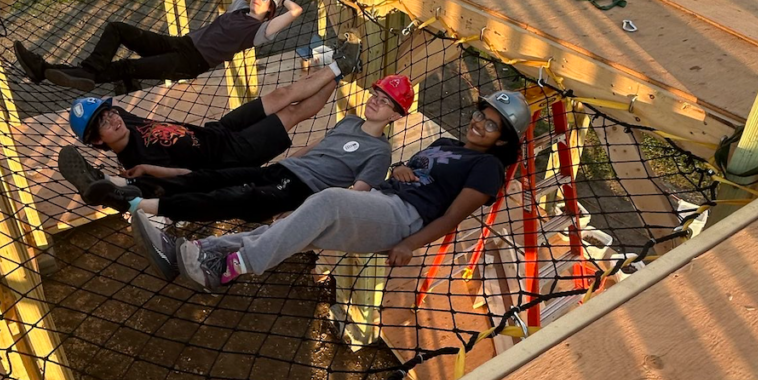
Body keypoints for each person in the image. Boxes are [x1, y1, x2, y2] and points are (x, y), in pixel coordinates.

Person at [169, 90, 531, 292]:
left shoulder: (488, 167)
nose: (480, 124)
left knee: (325, 200)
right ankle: (207, 250)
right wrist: (401, 166)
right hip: (382, 201)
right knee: (293, 229)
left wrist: (409, 244)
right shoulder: (446, 142)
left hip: (403, 218)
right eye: (481, 114)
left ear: (501, 139)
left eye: (491, 125)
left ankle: (233, 267)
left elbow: (453, 216)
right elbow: (417, 171)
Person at [130, 75, 415, 279]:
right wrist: (281, 163)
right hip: (284, 172)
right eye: (375, 95)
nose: (375, 102)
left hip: (303, 190)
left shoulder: (379, 153)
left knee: (233, 199)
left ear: (396, 115)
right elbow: (315, 147)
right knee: (215, 177)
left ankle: (152, 213)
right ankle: (139, 199)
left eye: (385, 102)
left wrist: (303, 213)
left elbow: (357, 197)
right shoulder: (350, 120)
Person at [57, 50, 363, 211]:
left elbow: (108, 94)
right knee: (293, 112)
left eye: (108, 112)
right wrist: (120, 179)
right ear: (98, 140)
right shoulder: (137, 164)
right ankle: (337, 79)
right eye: (102, 123)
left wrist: (88, 78)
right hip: (234, 156)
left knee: (282, 94)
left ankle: (340, 65)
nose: (112, 119)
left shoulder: (123, 120)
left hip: (218, 130)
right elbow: (182, 180)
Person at [14, 0, 303, 93]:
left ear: (271, 10)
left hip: (191, 62)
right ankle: (85, 72)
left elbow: (296, 11)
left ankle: (45, 70)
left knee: (124, 67)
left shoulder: (260, 31)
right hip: (182, 43)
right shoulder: (240, 10)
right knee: (118, 28)